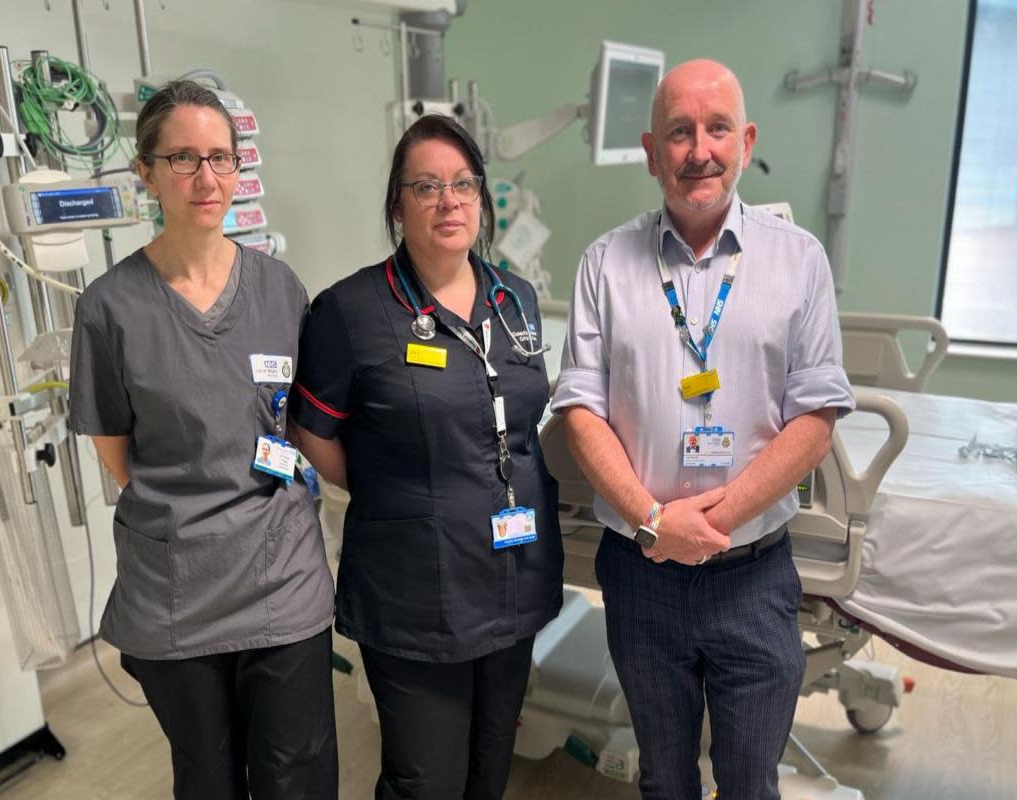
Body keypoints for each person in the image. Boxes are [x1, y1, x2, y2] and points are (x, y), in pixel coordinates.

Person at [551, 60, 855, 799]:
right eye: (679, 132)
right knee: (664, 778)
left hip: (752, 575)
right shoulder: (605, 265)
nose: (700, 150)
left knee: (751, 782)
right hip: (641, 573)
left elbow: (816, 416)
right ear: (653, 152)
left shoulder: (798, 261)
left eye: (717, 128)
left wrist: (715, 520)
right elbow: (580, 410)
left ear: (745, 141)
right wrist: (654, 521)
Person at [68, 80, 337, 800]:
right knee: (209, 781)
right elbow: (116, 452)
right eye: (183, 158)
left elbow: (299, 422)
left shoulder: (280, 290)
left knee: (297, 778)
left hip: (283, 579)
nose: (207, 178)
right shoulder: (109, 309)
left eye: (221, 157)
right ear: (145, 172)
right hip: (176, 593)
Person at [289, 114, 562, 800]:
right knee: (425, 781)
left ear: (482, 197)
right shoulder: (350, 313)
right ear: (397, 204)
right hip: (416, 594)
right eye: (427, 186)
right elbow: (312, 431)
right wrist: (400, 492)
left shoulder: (514, 300)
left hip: (513, 577)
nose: (450, 201)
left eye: (464, 184)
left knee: (489, 769)